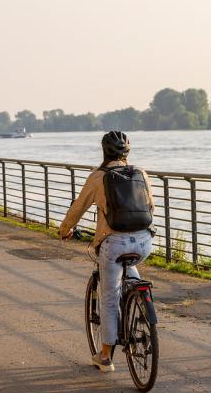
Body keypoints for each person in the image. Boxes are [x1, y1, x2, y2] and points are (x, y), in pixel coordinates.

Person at [59, 131, 154, 373]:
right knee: (129, 270)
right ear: (127, 153)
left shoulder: (98, 176)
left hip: (114, 244)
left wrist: (64, 230)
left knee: (110, 297)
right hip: (144, 242)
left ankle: (104, 357)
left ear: (104, 151)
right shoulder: (140, 172)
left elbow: (78, 208)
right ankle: (138, 299)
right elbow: (150, 205)